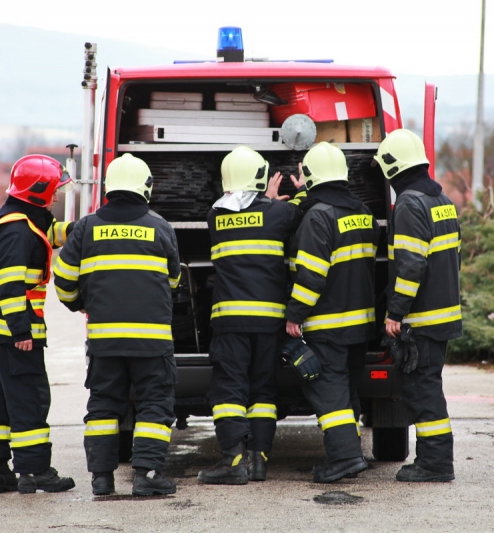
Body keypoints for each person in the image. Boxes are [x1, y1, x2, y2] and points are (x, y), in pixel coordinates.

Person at [54, 153, 181, 496]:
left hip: (104, 341)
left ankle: (102, 479)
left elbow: (63, 281)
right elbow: (173, 280)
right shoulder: (160, 227)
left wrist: (80, 304)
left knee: (104, 405)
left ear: (109, 187)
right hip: (151, 343)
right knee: (154, 404)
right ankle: (147, 476)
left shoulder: (85, 228)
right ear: (145, 187)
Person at [196, 146, 304, 485]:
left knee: (229, 390)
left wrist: (266, 200)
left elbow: (243, 212)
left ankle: (233, 460)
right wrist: (293, 192)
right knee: (263, 392)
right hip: (269, 323)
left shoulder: (215, 216)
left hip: (230, 322)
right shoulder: (279, 213)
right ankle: (258, 461)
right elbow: (301, 208)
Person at [0, 154, 76, 494]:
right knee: (29, 398)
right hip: (12, 333)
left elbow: (48, 233)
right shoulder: (16, 230)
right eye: (54, 190)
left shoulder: (22, 217)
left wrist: (81, 229)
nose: (56, 196)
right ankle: (36, 470)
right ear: (38, 191)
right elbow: (10, 285)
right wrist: (21, 331)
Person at [285, 141, 380, 483]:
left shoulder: (318, 217)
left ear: (310, 177)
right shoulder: (363, 213)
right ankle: (349, 452)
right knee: (347, 391)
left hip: (328, 324)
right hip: (360, 324)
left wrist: (294, 314)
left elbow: (312, 276)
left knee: (329, 392)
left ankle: (344, 458)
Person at [374, 129, 461, 483]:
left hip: (422, 319)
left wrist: (395, 312)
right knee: (429, 386)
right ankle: (433, 459)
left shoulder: (409, 205)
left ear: (392, 168)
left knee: (423, 390)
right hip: (442, 314)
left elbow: (411, 266)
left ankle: (435, 463)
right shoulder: (442, 201)